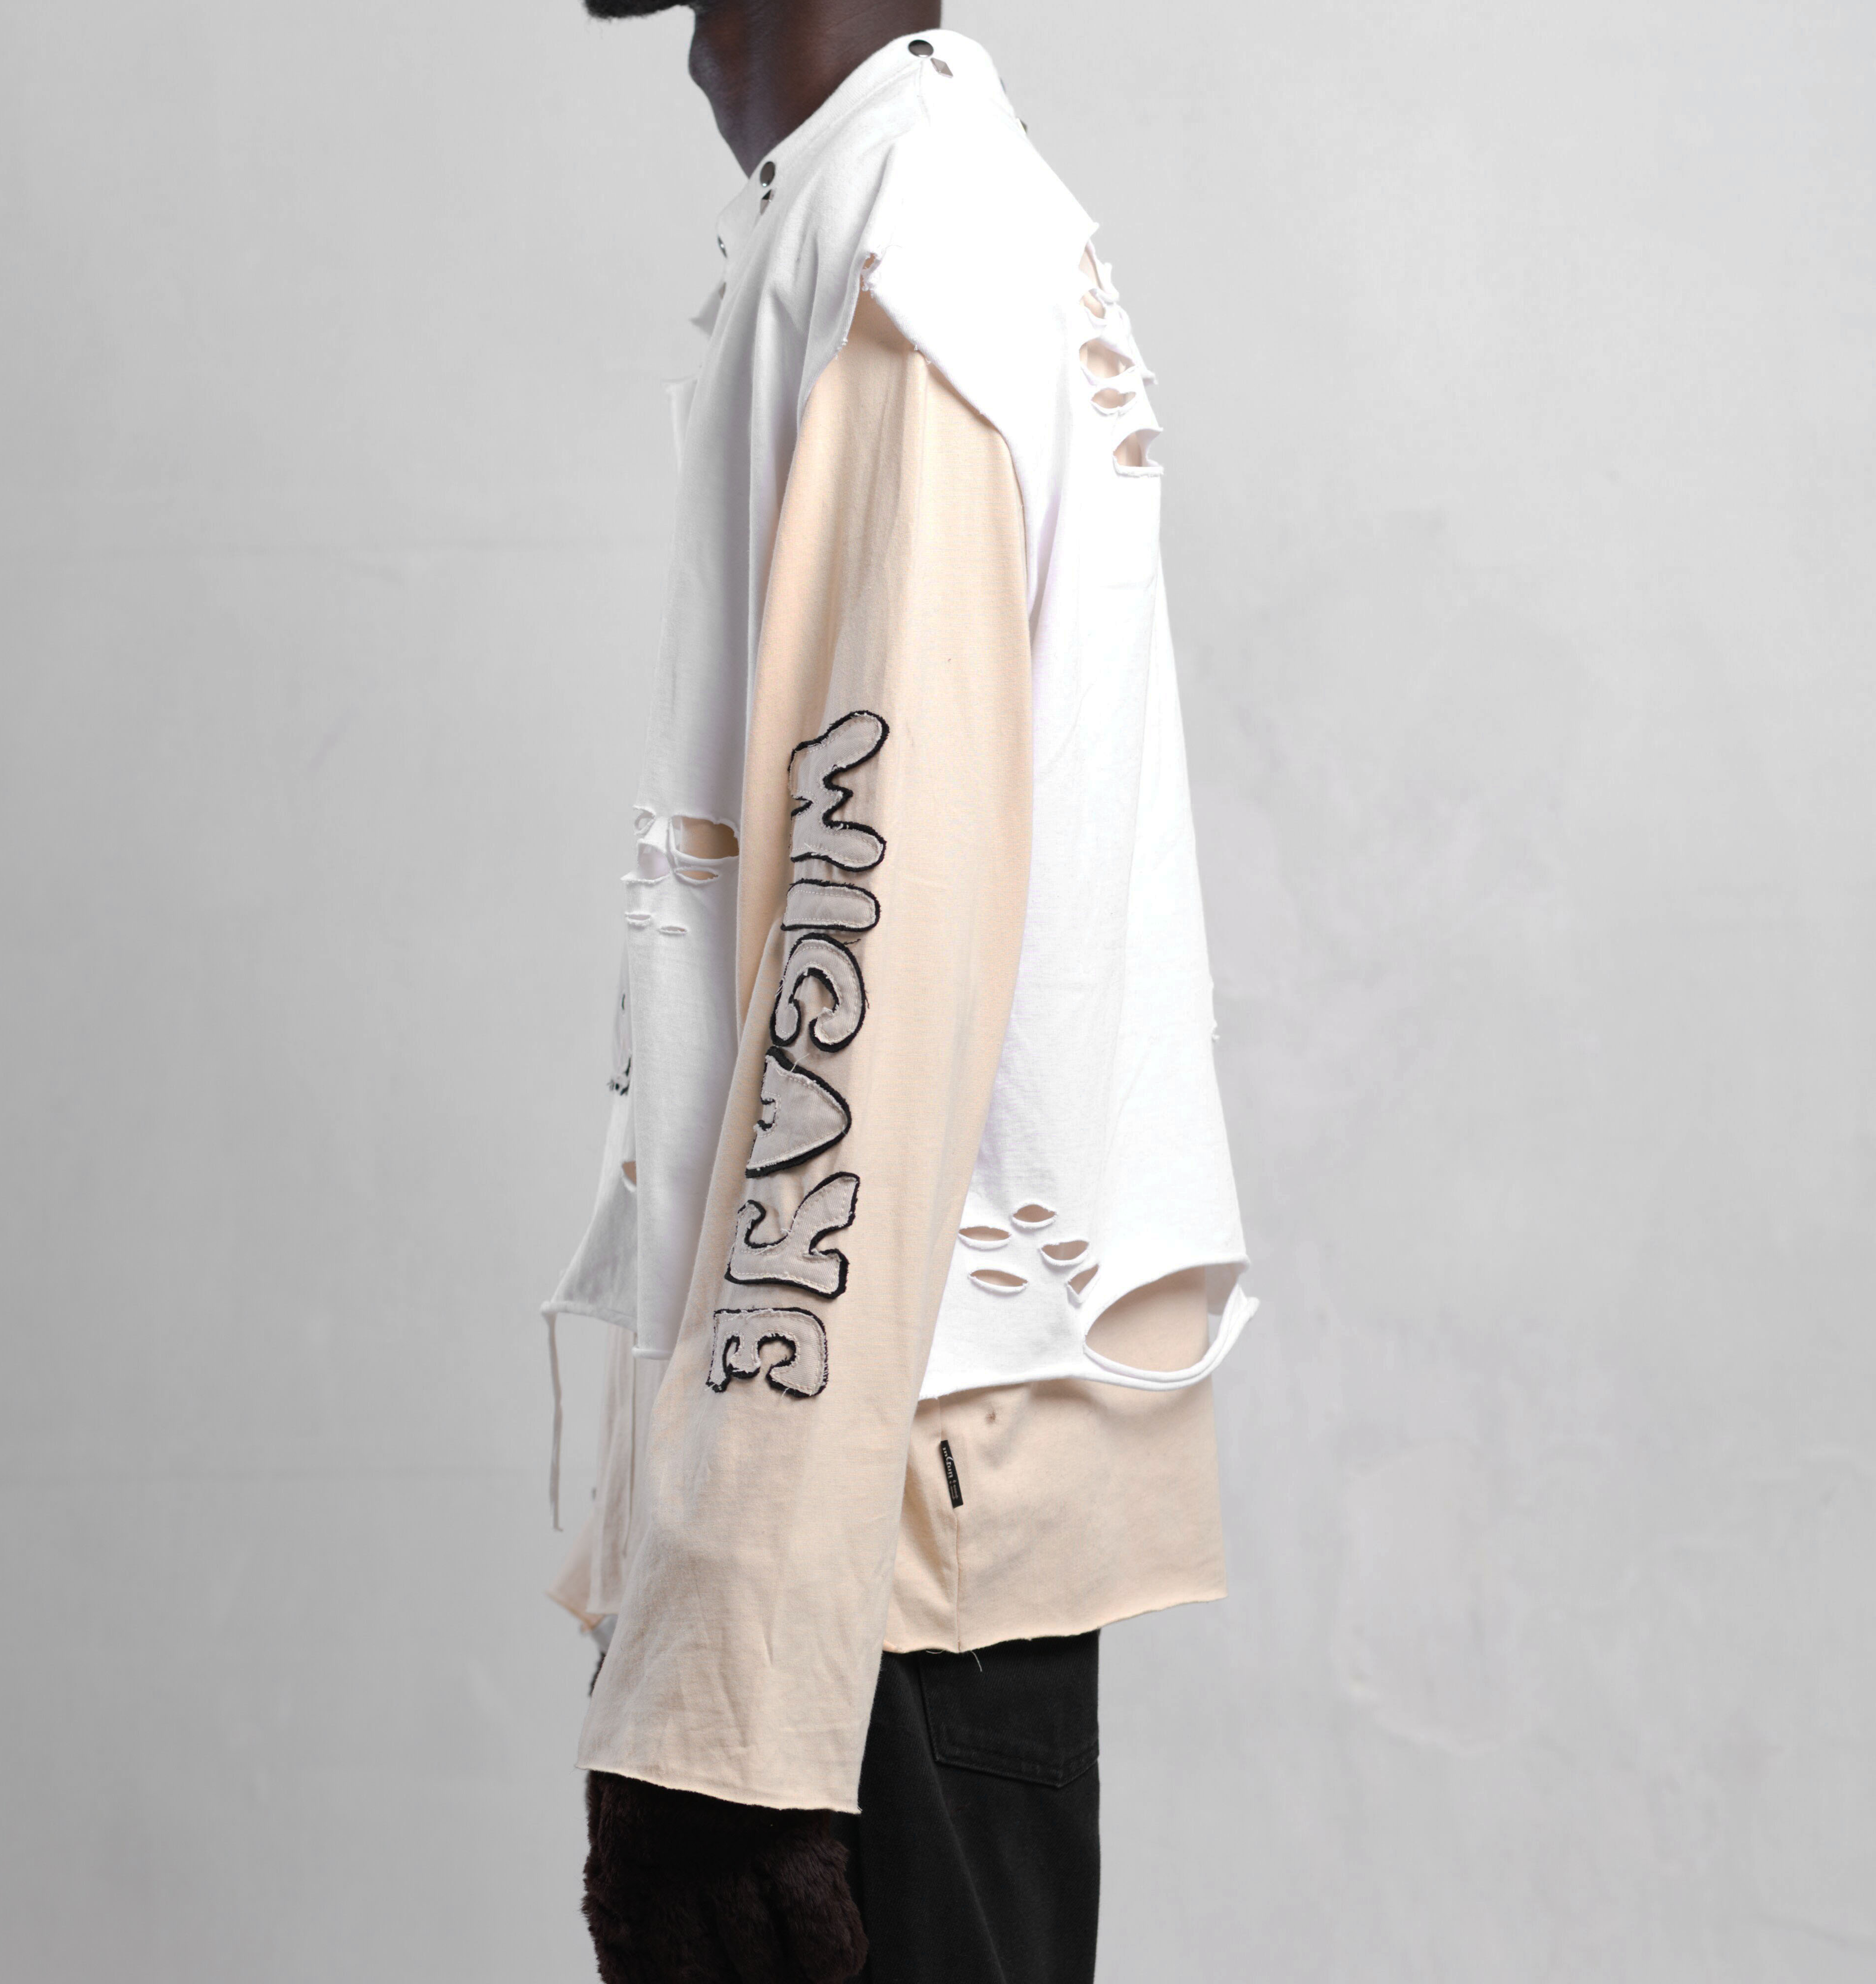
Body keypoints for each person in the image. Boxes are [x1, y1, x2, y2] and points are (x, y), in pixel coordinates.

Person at [545, 6, 1257, 1979]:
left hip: (875, 1545)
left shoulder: (913, 249)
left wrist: (734, 1682)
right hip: (883, 1505)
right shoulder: (886, 211)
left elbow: (876, 959)